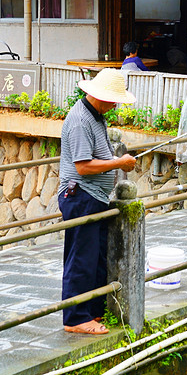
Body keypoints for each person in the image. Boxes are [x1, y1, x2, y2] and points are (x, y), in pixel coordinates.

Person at [58, 68, 137, 335]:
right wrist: (119, 162)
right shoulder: (81, 120)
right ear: (99, 96)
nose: (115, 105)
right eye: (113, 100)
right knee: (81, 257)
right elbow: (82, 167)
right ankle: (75, 317)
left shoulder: (95, 116)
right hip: (81, 195)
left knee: (94, 257)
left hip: (94, 197)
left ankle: (92, 311)